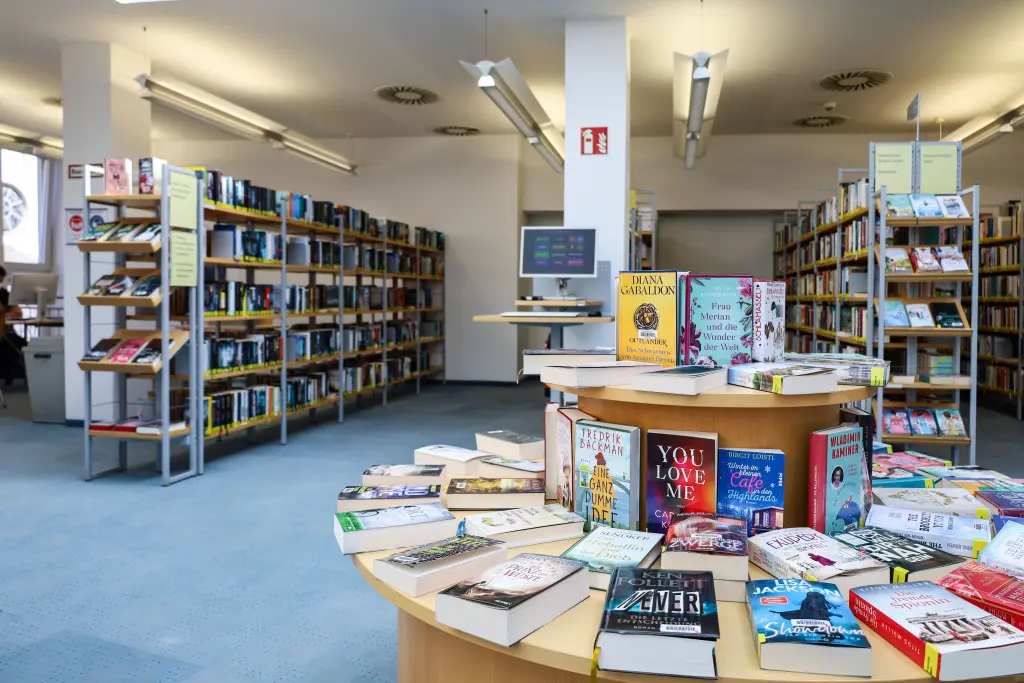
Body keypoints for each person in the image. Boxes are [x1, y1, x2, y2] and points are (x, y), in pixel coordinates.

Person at [0, 265, 28, 383]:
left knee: (24, 346)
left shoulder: (3, 293)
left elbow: (17, 313)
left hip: (5, 333)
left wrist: (6, 314)